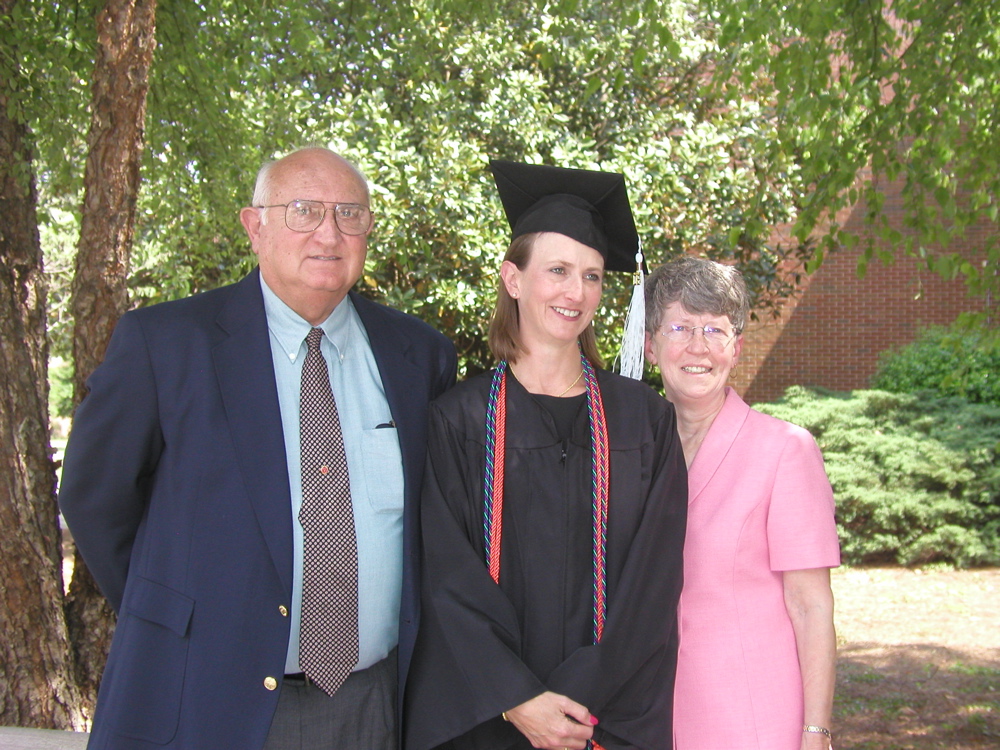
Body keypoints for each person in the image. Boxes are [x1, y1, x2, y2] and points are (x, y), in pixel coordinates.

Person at [58, 146, 457, 750]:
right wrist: (178, 613)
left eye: (350, 212)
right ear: (255, 226)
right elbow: (94, 500)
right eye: (303, 210)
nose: (329, 232)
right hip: (208, 696)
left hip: (374, 704)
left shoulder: (418, 357)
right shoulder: (166, 345)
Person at [405, 161, 688, 750]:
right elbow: (446, 578)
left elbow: (652, 584)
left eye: (590, 276)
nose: (575, 292)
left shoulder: (645, 420)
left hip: (606, 718)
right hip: (492, 718)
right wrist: (517, 698)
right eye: (557, 270)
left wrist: (582, 698)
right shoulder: (459, 419)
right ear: (514, 278)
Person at [643, 257, 840, 750]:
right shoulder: (630, 454)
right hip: (650, 716)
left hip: (750, 717)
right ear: (650, 345)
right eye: (680, 327)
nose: (697, 346)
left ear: (737, 349)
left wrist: (815, 732)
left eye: (715, 330)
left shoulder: (785, 451)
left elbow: (811, 606)